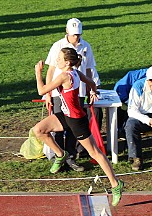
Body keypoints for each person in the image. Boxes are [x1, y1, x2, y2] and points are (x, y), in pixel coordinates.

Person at [33, 47, 125, 206]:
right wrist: (92, 92)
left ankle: (116, 185)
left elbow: (41, 90)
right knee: (39, 130)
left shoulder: (64, 76)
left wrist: (38, 72)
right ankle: (60, 154)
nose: (57, 61)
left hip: (77, 121)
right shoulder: (76, 72)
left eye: (60, 59)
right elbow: (91, 82)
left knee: (95, 152)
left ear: (67, 62)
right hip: (65, 115)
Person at [44, 18, 97, 172]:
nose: (76, 38)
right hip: (59, 93)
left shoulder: (86, 46)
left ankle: (71, 157)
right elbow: (51, 71)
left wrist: (89, 91)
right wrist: (48, 94)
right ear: (67, 32)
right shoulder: (58, 46)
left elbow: (88, 71)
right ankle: (59, 157)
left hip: (78, 93)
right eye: (74, 35)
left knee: (75, 128)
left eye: (78, 35)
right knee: (59, 126)